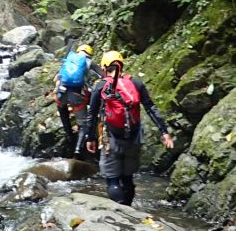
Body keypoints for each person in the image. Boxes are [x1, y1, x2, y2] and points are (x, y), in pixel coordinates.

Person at [83, 50, 174, 206]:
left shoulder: (101, 86)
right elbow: (151, 108)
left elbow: (91, 115)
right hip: (134, 138)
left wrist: (90, 138)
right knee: (128, 179)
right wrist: (164, 132)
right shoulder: (135, 83)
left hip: (111, 138)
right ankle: (129, 209)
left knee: (113, 180)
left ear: (104, 68)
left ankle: (121, 212)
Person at [53, 43, 102, 156]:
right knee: (83, 125)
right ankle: (77, 150)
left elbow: (57, 77)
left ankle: (69, 135)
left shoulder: (69, 60)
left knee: (62, 107)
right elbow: (104, 76)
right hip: (76, 96)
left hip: (61, 93)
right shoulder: (89, 62)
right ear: (89, 54)